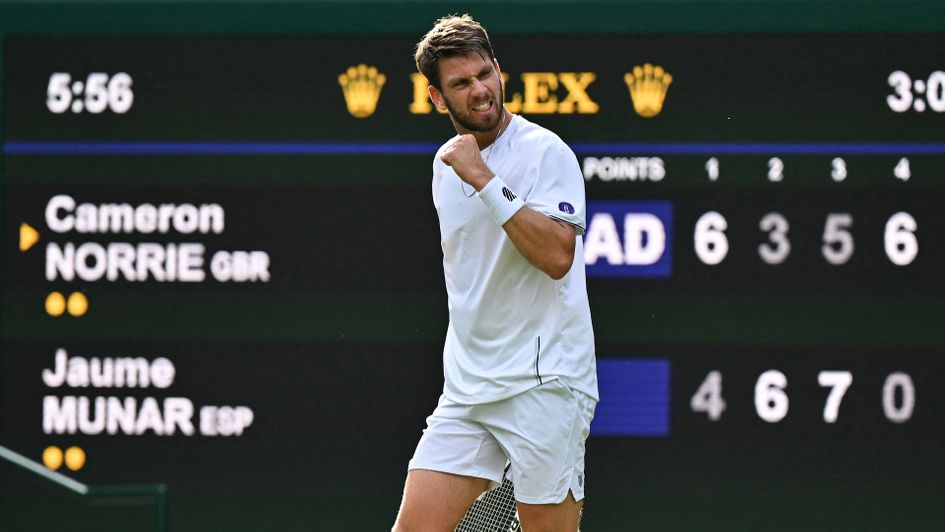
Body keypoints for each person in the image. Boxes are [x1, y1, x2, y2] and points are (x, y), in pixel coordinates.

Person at [393, 14, 598, 532]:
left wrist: (484, 177)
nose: (480, 90)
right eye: (460, 84)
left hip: (545, 385)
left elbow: (557, 257)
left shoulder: (546, 151)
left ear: (499, 69)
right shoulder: (444, 168)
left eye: (484, 74)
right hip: (467, 390)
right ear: (438, 99)